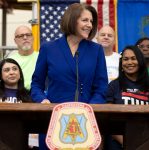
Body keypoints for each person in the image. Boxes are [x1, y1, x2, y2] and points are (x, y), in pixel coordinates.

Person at [31, 3, 108, 149]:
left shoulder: (96, 50)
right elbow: (36, 84)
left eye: (91, 21)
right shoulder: (49, 48)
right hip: (54, 119)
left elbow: (101, 87)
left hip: (85, 122)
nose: (89, 25)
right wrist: (42, 100)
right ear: (72, 20)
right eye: (85, 20)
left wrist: (88, 110)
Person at [105, 46, 149, 150]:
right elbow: (108, 118)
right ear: (121, 63)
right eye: (125, 59)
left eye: (133, 58)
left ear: (140, 61)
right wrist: (126, 143)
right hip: (118, 142)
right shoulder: (114, 85)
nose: (129, 62)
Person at [0, 58, 32, 150]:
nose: (11, 72)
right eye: (6, 70)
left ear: (20, 74)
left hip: (23, 143)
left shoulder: (29, 95)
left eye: (15, 69)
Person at [7, 25, 39, 90]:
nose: (25, 38)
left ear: (33, 38)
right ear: (15, 40)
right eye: (21, 36)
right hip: (17, 95)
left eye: (28, 35)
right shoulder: (10, 60)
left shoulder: (42, 56)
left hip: (39, 96)